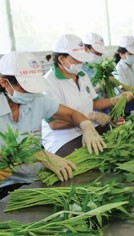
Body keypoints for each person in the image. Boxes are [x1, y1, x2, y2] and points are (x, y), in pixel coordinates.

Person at [0, 52, 103, 196]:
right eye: (25, 88)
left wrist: (87, 126)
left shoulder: (37, 99)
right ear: (4, 83)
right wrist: (39, 155)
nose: (31, 93)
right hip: (8, 184)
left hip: (36, 176)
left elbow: (71, 114)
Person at [42, 34, 133, 157]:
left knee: (122, 141)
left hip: (90, 128)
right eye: (76, 59)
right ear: (62, 59)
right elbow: (54, 123)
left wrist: (115, 100)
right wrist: (88, 118)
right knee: (94, 158)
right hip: (63, 138)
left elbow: (94, 102)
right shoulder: (49, 83)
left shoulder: (82, 75)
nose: (81, 62)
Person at [112, 36, 134, 113]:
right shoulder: (118, 70)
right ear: (121, 54)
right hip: (126, 105)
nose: (133, 56)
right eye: (130, 54)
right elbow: (124, 90)